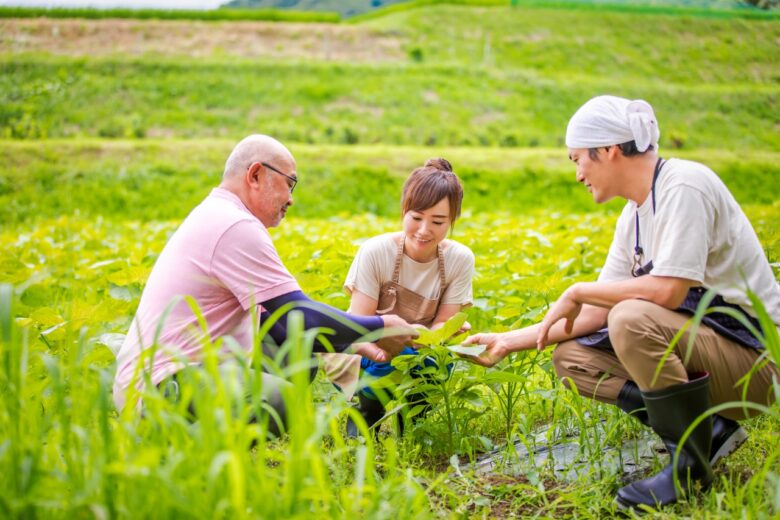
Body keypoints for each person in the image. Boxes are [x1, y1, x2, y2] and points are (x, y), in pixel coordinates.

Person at [465, 96, 780, 510]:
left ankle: (689, 468)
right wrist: (509, 340)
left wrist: (577, 290)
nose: (577, 174)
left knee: (630, 317)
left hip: (757, 365)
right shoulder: (633, 215)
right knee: (574, 359)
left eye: (578, 159)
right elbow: (594, 315)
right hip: (711, 351)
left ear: (610, 151)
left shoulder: (684, 185)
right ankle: (710, 430)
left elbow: (668, 291)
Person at [112, 135, 417, 435]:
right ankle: (189, 456)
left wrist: (351, 341)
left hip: (172, 374)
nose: (291, 198)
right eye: (290, 183)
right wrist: (381, 326)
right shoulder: (235, 225)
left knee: (297, 352)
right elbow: (296, 311)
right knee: (279, 400)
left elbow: (282, 323)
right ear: (255, 174)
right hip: (162, 385)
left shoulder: (221, 214)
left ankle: (217, 452)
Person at [321, 158, 475, 437]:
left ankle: (413, 423)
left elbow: (444, 322)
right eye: (416, 218)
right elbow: (360, 328)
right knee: (393, 357)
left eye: (438, 221)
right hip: (369, 349)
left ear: (453, 220)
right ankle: (366, 411)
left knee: (440, 360)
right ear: (404, 211)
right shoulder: (376, 251)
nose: (424, 230)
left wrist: (437, 334)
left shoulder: (459, 259)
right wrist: (402, 335)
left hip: (420, 348)